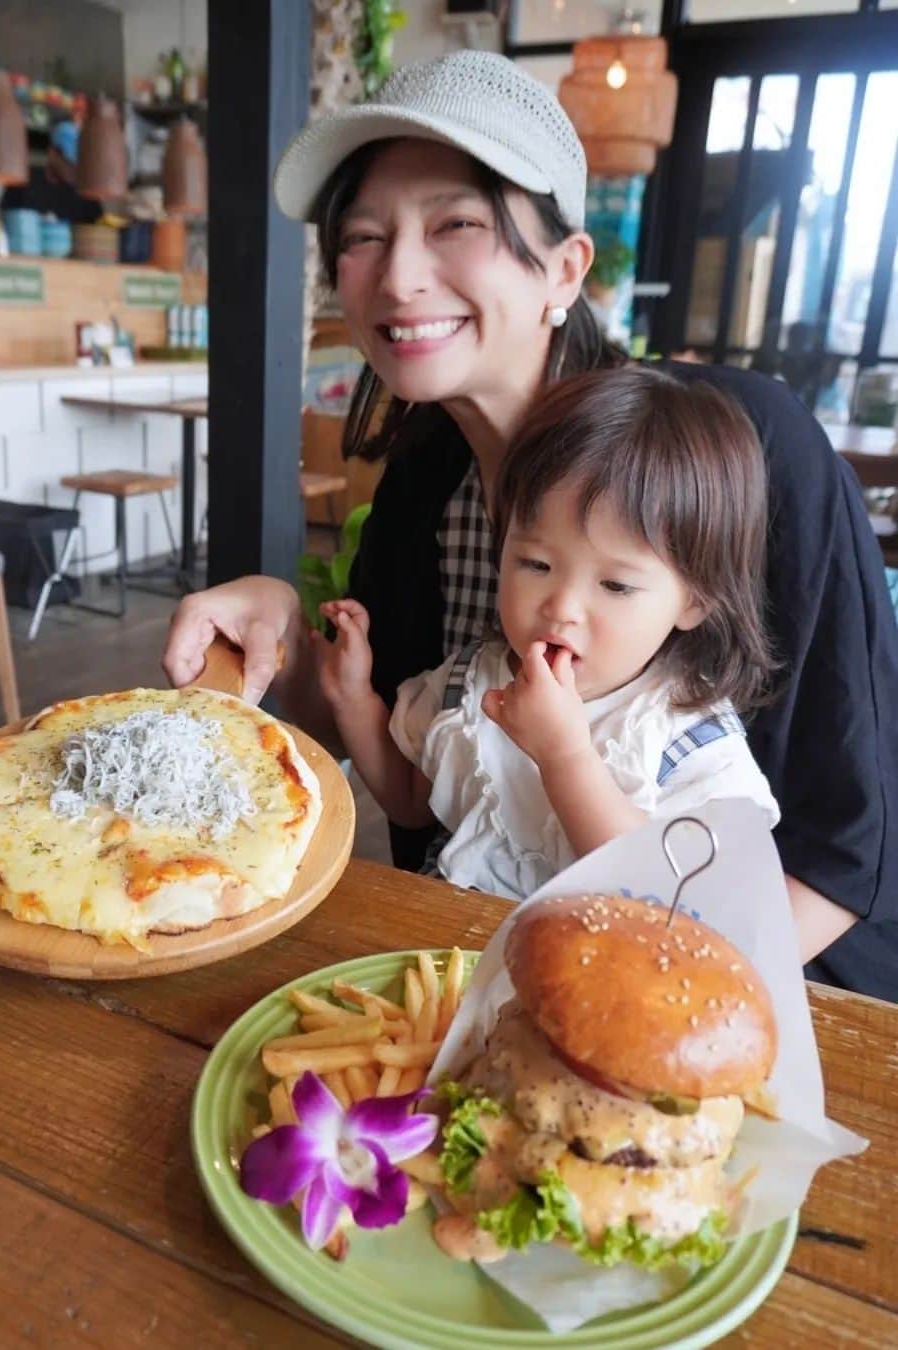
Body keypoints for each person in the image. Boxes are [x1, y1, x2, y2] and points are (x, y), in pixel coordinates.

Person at [162, 50, 898, 999]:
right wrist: (280, 627)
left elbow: (848, 845)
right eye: (364, 236)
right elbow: (396, 749)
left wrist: (638, 1001)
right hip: (464, 965)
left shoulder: (736, 454)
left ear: (564, 268)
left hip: (753, 998)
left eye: (456, 223)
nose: (399, 276)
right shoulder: (428, 475)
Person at [317, 365, 780, 896]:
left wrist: (565, 755)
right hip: (452, 950)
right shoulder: (472, 682)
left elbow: (660, 890)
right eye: (536, 565)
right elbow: (409, 804)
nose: (562, 608)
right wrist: (352, 696)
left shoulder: (683, 736)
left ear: (694, 600)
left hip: (594, 966)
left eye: (615, 585)